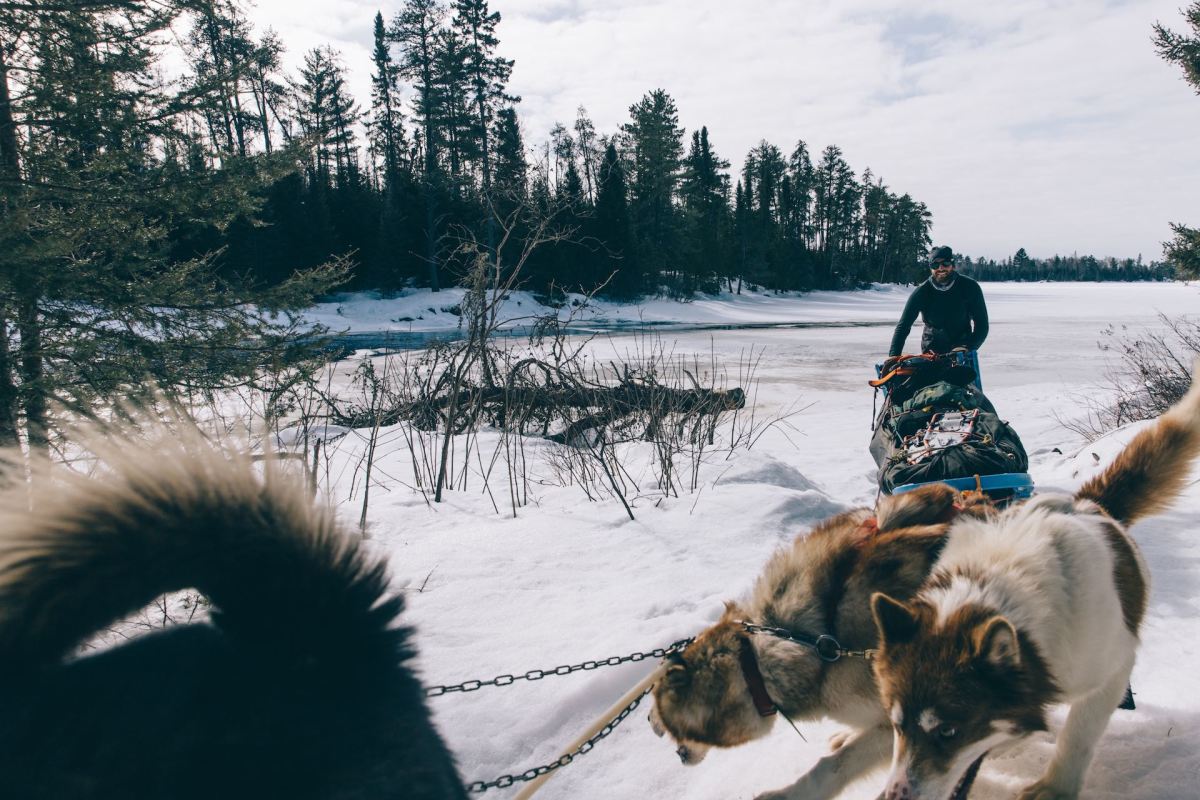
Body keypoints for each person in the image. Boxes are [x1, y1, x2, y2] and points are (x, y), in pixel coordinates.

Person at [887, 245, 989, 360]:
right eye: (935, 264)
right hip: (931, 352)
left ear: (952, 265)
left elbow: (982, 325)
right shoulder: (922, 292)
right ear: (930, 267)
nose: (941, 268)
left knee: (963, 376)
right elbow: (903, 326)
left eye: (945, 263)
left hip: (962, 351)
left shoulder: (969, 287)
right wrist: (893, 357)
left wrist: (968, 347)